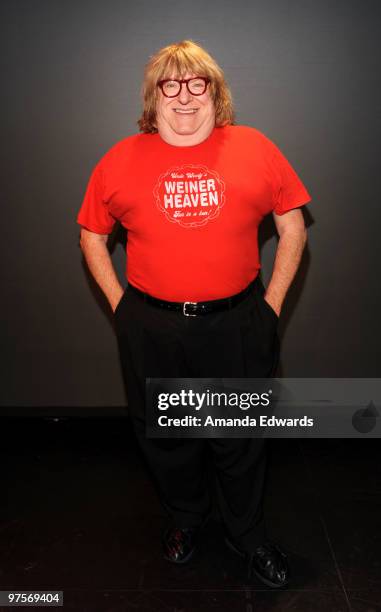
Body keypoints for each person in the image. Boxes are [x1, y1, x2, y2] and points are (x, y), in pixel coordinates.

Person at [76, 39, 311, 588]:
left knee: (241, 440)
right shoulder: (119, 159)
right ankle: (185, 519)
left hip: (238, 323)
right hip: (153, 327)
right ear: (153, 97)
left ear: (216, 93)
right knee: (168, 437)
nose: (185, 98)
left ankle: (247, 534)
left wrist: (271, 307)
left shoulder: (256, 148)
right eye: (170, 85)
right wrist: (123, 309)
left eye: (197, 84)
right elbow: (91, 234)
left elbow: (293, 225)